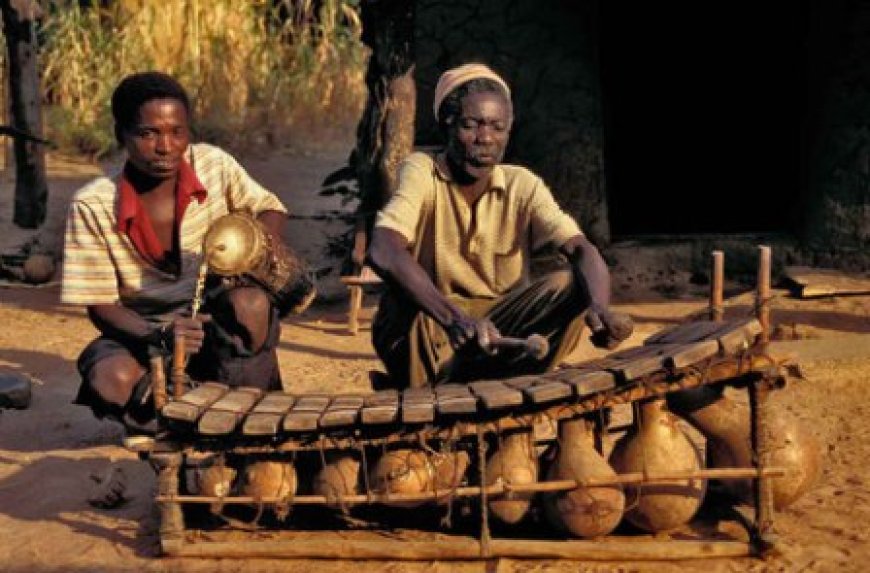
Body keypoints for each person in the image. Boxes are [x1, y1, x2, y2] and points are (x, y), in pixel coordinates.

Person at [61, 71, 312, 432]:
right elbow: (101, 307)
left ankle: (242, 409)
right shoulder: (92, 204)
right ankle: (187, 416)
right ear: (122, 136)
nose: (166, 146)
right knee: (110, 377)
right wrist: (159, 334)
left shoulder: (212, 165)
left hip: (217, 322)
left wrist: (255, 252)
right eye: (149, 134)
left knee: (250, 305)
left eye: (177, 132)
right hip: (145, 332)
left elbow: (269, 208)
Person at [368, 63, 632, 389]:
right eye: (471, 125)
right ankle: (429, 389)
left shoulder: (522, 185)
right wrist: (454, 320)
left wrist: (600, 309)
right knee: (402, 294)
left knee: (572, 283)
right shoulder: (421, 171)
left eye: (498, 127)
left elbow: (581, 248)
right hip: (435, 321)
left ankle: (490, 379)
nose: (486, 139)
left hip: (500, 329)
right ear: (446, 125)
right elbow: (383, 249)